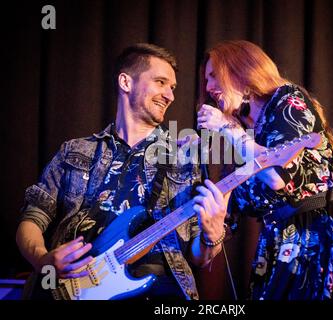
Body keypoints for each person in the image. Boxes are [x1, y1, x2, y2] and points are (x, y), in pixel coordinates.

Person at [16, 43, 228, 300]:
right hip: (69, 290)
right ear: (125, 82)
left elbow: (198, 256)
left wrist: (212, 236)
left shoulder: (183, 158)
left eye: (172, 88)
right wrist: (42, 259)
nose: (170, 95)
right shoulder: (75, 150)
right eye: (160, 82)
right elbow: (33, 216)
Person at [196, 40, 333, 300]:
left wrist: (227, 129)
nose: (208, 87)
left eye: (214, 76)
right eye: (206, 80)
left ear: (240, 70)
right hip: (278, 249)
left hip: (322, 236)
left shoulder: (288, 100)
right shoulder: (245, 134)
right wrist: (189, 165)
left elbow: (276, 176)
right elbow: (224, 220)